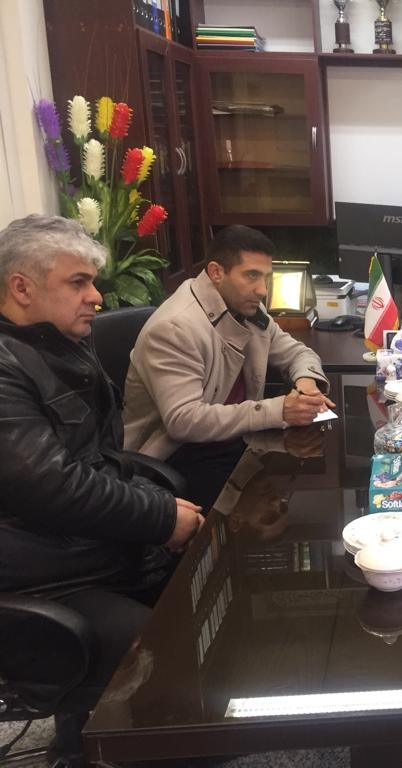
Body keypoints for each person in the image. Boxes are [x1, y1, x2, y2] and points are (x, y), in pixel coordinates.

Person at [0, 215, 202, 708]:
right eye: (78, 282)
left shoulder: (60, 345)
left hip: (87, 546)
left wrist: (157, 505)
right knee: (175, 656)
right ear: (21, 288)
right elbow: (52, 487)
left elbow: (99, 459)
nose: (96, 297)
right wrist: (158, 516)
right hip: (45, 579)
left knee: (217, 583)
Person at [123, 225, 332, 511]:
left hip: (236, 441)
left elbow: (297, 352)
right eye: (251, 276)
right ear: (216, 272)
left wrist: (305, 382)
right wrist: (279, 410)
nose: (262, 290)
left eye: (266, 277)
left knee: (308, 457)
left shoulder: (245, 307)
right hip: (178, 457)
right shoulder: (175, 328)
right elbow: (183, 420)